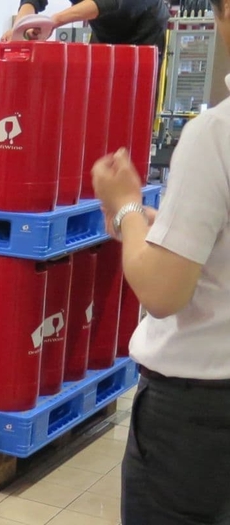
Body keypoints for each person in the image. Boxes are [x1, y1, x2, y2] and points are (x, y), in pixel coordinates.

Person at [91, 0, 230, 521]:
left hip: (201, 416)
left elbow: (162, 291)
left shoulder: (215, 134)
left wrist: (126, 206)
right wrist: (167, 228)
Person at [2, 0, 170, 56]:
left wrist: (54, 20)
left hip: (143, 29)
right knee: (94, 95)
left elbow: (112, 2)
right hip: (104, 29)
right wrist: (20, 26)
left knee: (133, 103)